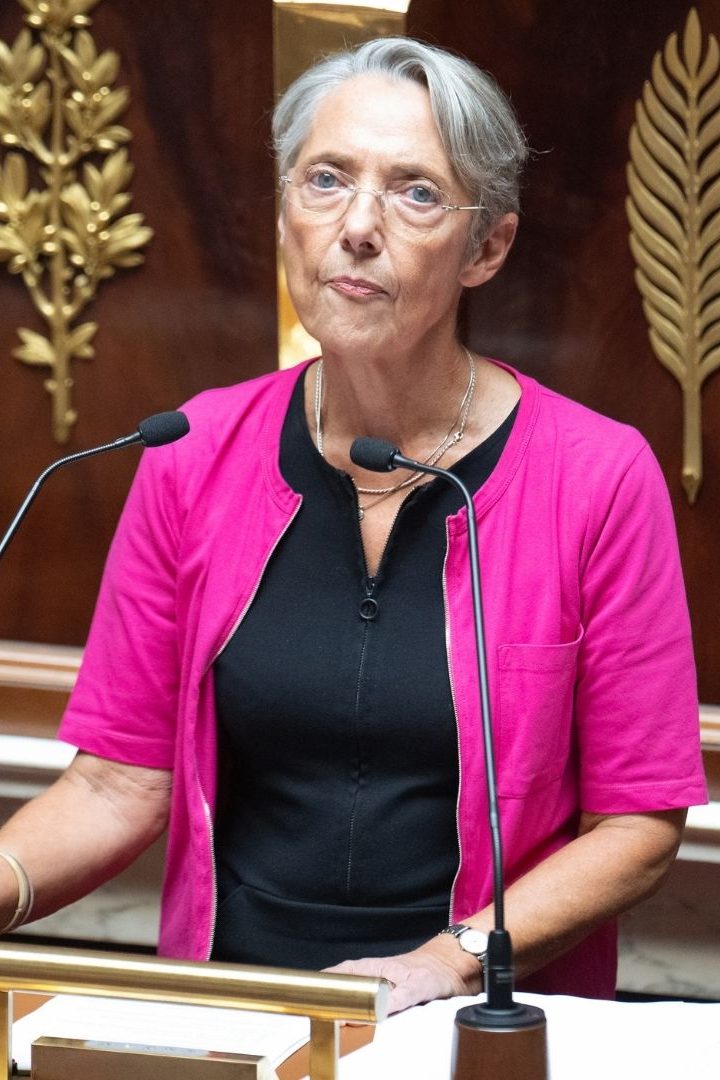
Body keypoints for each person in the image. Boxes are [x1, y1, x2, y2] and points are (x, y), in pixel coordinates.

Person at [0, 38, 707, 1014]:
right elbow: (117, 785)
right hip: (234, 1015)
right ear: (286, 211)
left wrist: (442, 964)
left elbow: (636, 825)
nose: (358, 227)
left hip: (474, 1021)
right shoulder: (191, 450)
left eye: (415, 192)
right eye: (326, 180)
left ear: (487, 247)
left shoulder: (595, 476)